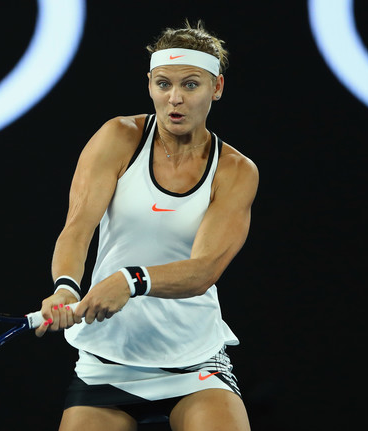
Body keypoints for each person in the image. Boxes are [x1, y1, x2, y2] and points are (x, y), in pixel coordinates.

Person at [35, 20, 258, 431]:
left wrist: (130, 280)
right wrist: (65, 285)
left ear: (217, 88)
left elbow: (204, 269)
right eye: (163, 84)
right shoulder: (117, 137)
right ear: (150, 85)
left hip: (192, 361)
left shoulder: (236, 171)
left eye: (191, 85)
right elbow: (78, 227)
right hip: (107, 360)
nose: (175, 99)